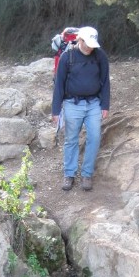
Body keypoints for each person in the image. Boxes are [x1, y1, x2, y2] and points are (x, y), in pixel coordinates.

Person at [51, 26, 110, 192]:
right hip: (72, 103)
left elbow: (105, 81)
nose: (90, 47)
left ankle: (87, 174)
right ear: (79, 40)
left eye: (92, 44)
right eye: (87, 43)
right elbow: (59, 85)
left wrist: (105, 105)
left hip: (93, 104)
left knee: (95, 137)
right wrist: (56, 110)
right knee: (71, 139)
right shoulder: (67, 57)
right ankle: (69, 174)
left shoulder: (100, 56)